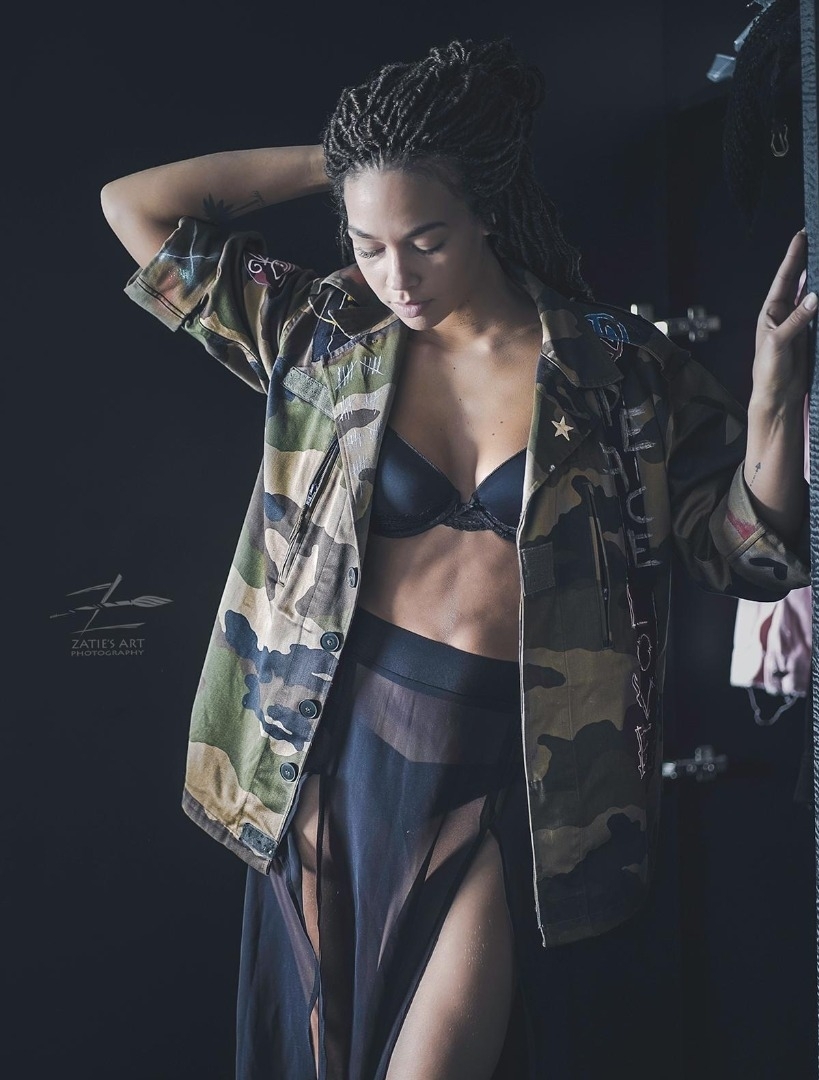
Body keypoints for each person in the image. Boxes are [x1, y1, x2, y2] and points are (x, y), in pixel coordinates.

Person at [100, 37, 813, 1080]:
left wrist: (772, 403)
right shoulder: (328, 332)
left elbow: (751, 558)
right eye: (369, 243)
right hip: (328, 757)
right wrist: (353, 163)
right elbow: (135, 208)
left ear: (486, 205)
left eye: (426, 239)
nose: (397, 276)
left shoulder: (613, 366)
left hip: (506, 778)